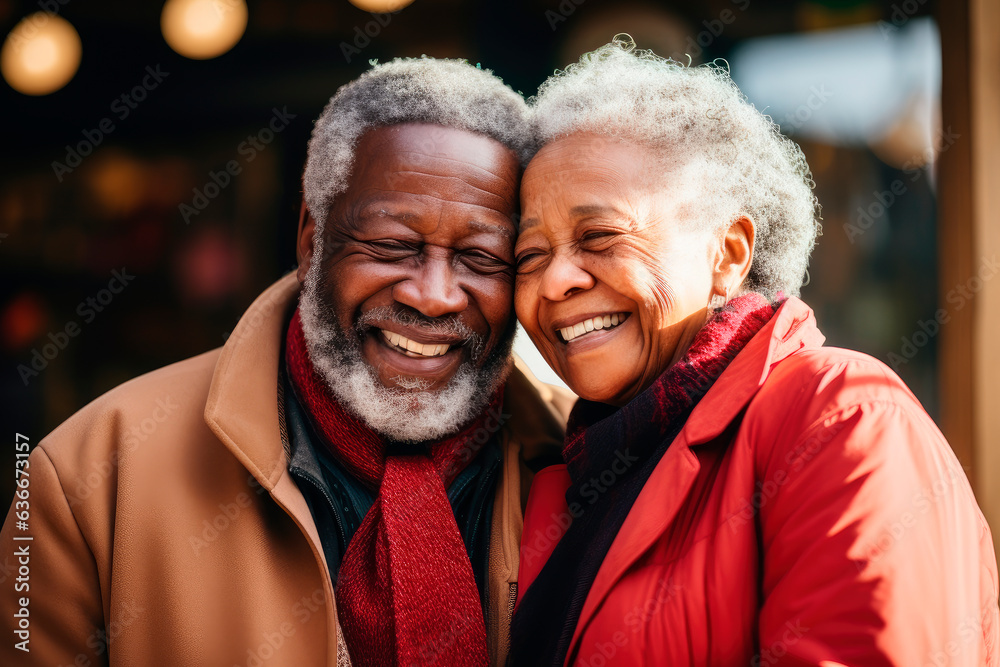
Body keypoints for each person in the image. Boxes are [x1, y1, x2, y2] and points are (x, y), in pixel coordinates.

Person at [0, 57, 573, 667]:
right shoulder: (87, 474)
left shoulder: (579, 458)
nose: (433, 295)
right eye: (391, 246)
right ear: (311, 238)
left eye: (483, 258)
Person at [509, 38, 999, 666]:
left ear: (730, 254)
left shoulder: (840, 416)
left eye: (599, 236)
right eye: (530, 256)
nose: (555, 281)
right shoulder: (563, 475)